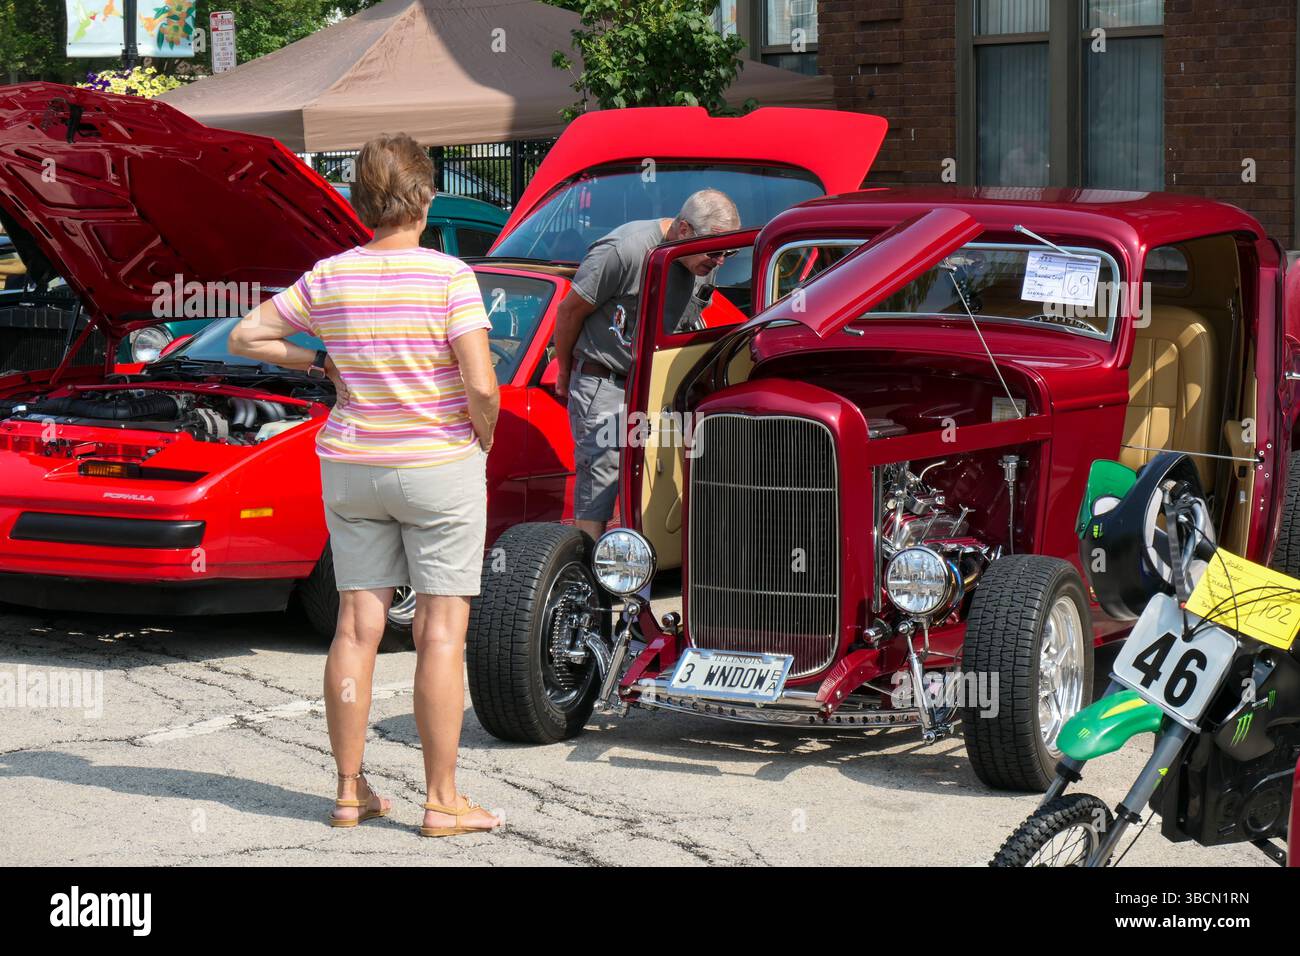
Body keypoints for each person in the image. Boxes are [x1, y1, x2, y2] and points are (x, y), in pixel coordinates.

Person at [228, 133, 503, 839]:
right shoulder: (448, 277)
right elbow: (480, 382)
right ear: (424, 197)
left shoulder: (329, 276)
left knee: (356, 626)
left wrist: (321, 359)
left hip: (352, 462)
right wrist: (483, 436)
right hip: (438, 464)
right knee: (442, 632)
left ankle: (350, 792)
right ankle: (442, 801)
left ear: (363, 202)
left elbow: (245, 337)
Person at [552, 188, 740, 540]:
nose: (719, 262)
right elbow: (569, 311)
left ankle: (653, 569)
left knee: (660, 477)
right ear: (684, 230)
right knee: (601, 480)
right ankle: (593, 584)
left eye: (728, 252)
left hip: (658, 384)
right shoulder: (625, 250)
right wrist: (564, 371)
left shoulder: (702, 264)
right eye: (715, 251)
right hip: (607, 380)